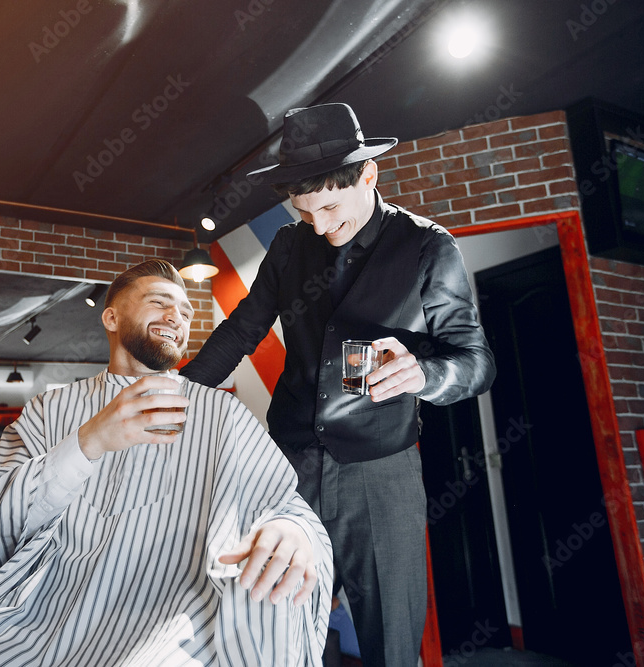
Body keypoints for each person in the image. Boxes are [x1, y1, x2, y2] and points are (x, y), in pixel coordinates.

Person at [0, 260, 333, 666]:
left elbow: (283, 504)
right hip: (39, 615)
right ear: (111, 317)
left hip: (173, 618)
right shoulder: (49, 410)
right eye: (159, 303)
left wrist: (293, 531)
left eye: (185, 312)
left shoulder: (223, 414)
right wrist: (87, 442)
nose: (177, 317)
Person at [180, 103, 496, 666]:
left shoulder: (427, 246)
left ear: (368, 176)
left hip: (380, 472)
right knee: (276, 626)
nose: (320, 227)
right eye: (305, 212)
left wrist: (426, 373)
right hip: (287, 468)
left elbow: (475, 361)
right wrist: (178, 395)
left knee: (390, 640)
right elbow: (241, 331)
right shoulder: (287, 246)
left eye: (329, 207)